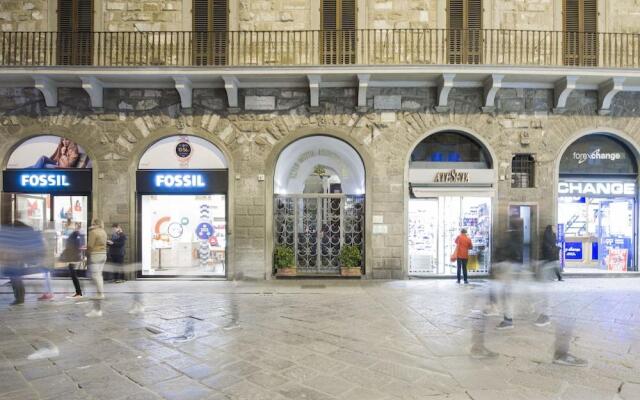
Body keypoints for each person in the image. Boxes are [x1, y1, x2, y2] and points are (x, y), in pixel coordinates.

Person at [0, 221, 46, 305]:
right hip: (16, 258)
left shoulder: (15, 230)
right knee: (16, 278)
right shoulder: (21, 230)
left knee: (15, 278)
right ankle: (20, 297)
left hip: (15, 258)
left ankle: (19, 298)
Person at [86, 219, 107, 317]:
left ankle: (101, 293)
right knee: (99, 274)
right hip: (103, 254)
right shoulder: (103, 231)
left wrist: (86, 253)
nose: (91, 225)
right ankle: (99, 293)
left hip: (96, 254)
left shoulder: (93, 232)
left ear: (95, 224)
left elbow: (90, 245)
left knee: (95, 275)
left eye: (92, 223)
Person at [62, 223, 84, 298]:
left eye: (74, 226)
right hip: (72, 257)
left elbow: (75, 246)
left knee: (74, 275)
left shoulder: (76, 235)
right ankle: (78, 292)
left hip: (73, 257)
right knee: (73, 274)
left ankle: (79, 292)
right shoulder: (75, 234)